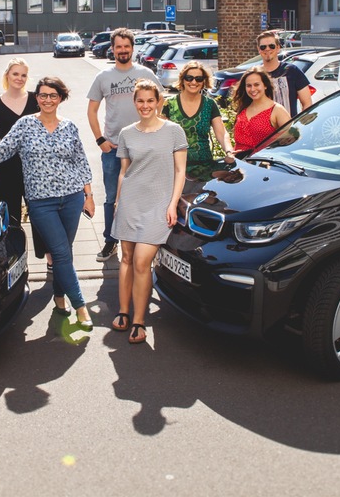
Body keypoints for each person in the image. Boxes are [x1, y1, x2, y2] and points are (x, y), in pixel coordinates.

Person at [0, 76, 94, 327]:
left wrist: (88, 196)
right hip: (41, 202)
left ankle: (59, 297)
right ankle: (81, 306)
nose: (47, 99)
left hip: (72, 198)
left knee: (63, 254)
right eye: (43, 95)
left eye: (53, 95)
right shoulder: (25, 125)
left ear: (61, 98)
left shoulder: (69, 126)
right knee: (59, 252)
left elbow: (80, 162)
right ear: (36, 98)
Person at [111, 80, 188, 345]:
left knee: (143, 261)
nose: (145, 106)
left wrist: (172, 203)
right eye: (140, 101)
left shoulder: (174, 131)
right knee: (127, 258)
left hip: (159, 203)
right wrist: (118, 203)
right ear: (135, 103)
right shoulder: (126, 133)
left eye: (150, 101)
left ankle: (139, 321)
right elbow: (124, 172)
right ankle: (123, 311)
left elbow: (180, 171)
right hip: (131, 201)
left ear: (158, 102)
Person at [86, 28, 159, 262]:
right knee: (111, 197)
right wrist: (100, 141)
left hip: (144, 148)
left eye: (127, 46)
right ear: (113, 48)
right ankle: (110, 241)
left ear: (132, 48)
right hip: (114, 149)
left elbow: (161, 103)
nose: (123, 50)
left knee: (144, 195)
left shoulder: (145, 73)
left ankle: (142, 240)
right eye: (118, 46)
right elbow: (92, 110)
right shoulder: (104, 76)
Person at [0, 58, 48, 266]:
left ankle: (50, 259)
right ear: (7, 75)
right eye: (15, 74)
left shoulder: (36, 100)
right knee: (11, 217)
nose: (19, 78)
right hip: (6, 168)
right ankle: (15, 260)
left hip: (34, 167)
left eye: (23, 75)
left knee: (40, 213)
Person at [162, 62, 234, 166]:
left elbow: (221, 133)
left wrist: (229, 152)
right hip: (176, 165)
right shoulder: (169, 104)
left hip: (204, 166)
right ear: (182, 79)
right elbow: (162, 135)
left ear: (204, 81)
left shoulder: (209, 104)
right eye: (189, 78)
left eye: (199, 78)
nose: (194, 82)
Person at [232, 67, 292, 152]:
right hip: (239, 162)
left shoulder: (277, 110)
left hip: (262, 163)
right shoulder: (243, 108)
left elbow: (291, 140)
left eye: (256, 84)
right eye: (249, 86)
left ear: (265, 85)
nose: (252, 89)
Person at [255, 30, 312, 117]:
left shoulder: (293, 71)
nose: (267, 49)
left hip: (288, 127)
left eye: (271, 46)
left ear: (278, 48)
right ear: (259, 49)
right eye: (263, 47)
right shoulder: (255, 74)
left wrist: (298, 124)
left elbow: (307, 103)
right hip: (264, 128)